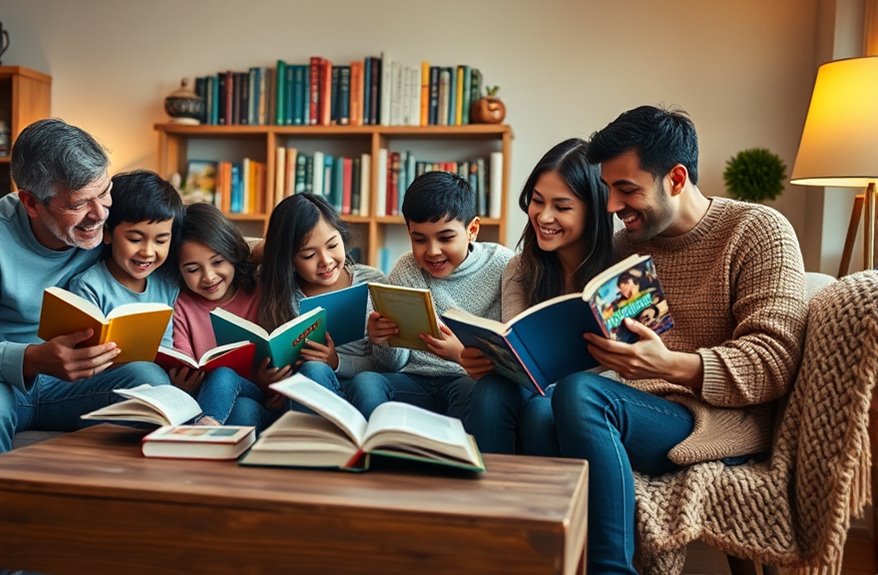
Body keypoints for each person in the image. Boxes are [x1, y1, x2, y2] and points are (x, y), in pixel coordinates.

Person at [518, 105, 809, 574]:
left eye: (627, 190)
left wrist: (665, 364)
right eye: (610, 189)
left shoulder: (758, 231)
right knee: (537, 409)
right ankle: (549, 563)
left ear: (675, 178)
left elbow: (771, 363)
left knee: (581, 395)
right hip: (641, 407)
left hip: (720, 420)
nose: (612, 206)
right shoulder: (626, 246)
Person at [0, 118, 171, 468]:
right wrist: (32, 358)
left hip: (71, 387)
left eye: (103, 192)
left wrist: (253, 253)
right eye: (79, 204)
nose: (99, 214)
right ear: (31, 202)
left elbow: (183, 233)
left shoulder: (107, 222)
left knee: (149, 380)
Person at [460, 138, 614, 453]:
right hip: (534, 387)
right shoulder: (520, 268)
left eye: (562, 207)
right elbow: (517, 350)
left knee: (540, 413)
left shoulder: (618, 270)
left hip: (595, 395)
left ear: (594, 210)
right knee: (490, 390)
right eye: (537, 201)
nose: (543, 217)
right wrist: (488, 360)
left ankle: (549, 500)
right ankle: (490, 496)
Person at [345, 171, 513, 419]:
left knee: (477, 391)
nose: (433, 251)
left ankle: (454, 454)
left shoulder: (502, 264)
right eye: (419, 239)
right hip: (413, 379)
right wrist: (382, 341)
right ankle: (378, 454)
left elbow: (508, 355)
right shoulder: (407, 269)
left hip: (465, 378)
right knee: (367, 382)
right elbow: (392, 364)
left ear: (472, 230)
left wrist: (460, 354)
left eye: (445, 238)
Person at [259, 192, 385, 384]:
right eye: (309, 255)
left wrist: (336, 362)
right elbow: (232, 250)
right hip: (310, 387)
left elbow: (386, 366)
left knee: (364, 385)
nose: (325, 261)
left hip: (361, 386)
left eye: (332, 245)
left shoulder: (372, 281)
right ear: (289, 260)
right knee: (314, 369)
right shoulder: (284, 296)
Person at [171, 202, 272, 429]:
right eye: (193, 269)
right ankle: (209, 435)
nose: (208, 277)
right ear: (179, 270)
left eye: (218, 262)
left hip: (259, 394)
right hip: (207, 398)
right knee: (242, 411)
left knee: (225, 375)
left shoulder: (258, 292)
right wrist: (181, 384)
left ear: (233, 254)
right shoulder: (183, 306)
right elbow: (183, 359)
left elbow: (282, 245)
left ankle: (203, 430)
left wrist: (269, 380)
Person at [68, 169, 183, 349]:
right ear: (107, 233)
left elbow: (167, 345)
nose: (148, 252)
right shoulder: (88, 287)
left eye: (161, 240)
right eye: (135, 239)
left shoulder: (167, 285)